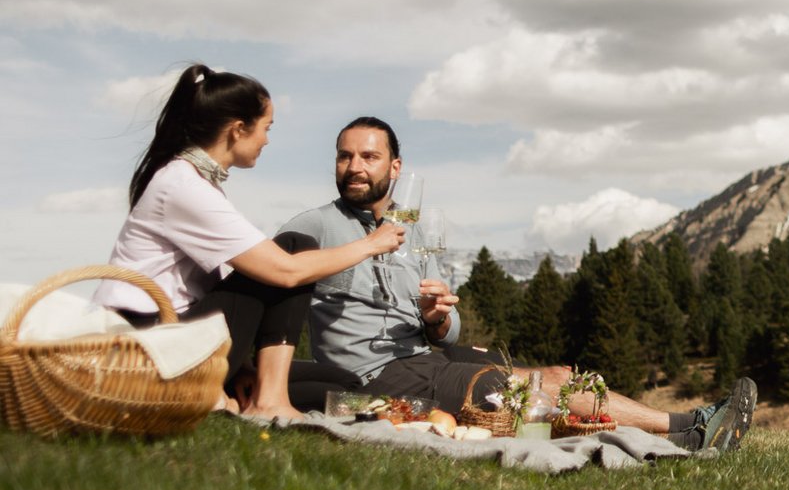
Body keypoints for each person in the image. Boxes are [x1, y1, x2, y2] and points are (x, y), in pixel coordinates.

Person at [279, 116, 754, 451]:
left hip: (425, 356)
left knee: (540, 375)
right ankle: (687, 426)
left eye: (368, 156)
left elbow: (451, 328)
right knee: (550, 385)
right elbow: (265, 283)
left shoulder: (413, 231)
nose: (354, 167)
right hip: (378, 374)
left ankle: (690, 429)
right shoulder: (314, 226)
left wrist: (438, 318)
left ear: (395, 168)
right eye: (344, 156)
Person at [95, 65, 406, 419]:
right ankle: (268, 401)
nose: (267, 140)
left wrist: (241, 365)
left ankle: (254, 394)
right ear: (238, 130)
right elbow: (284, 270)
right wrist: (370, 244)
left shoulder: (199, 185)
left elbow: (211, 289)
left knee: (341, 383)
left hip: (180, 338)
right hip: (146, 345)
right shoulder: (181, 186)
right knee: (294, 246)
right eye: (265, 128)